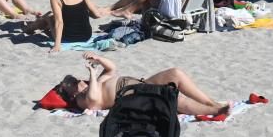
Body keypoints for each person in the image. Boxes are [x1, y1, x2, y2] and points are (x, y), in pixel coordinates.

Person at [56, 54, 231, 117]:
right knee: (170, 96)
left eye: (76, 80)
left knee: (175, 73)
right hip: (132, 95)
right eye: (73, 83)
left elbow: (111, 69)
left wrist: (99, 60)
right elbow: (95, 102)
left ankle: (211, 103)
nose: (78, 81)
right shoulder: (81, 100)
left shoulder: (90, 85)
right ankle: (216, 112)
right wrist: (92, 75)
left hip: (141, 84)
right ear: (70, 93)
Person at [24, 0, 110, 52]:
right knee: (55, 16)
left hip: (67, 38)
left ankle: (29, 29)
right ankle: (32, 28)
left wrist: (57, 45)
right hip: (86, 35)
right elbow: (96, 14)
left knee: (48, 17)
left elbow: (59, 22)